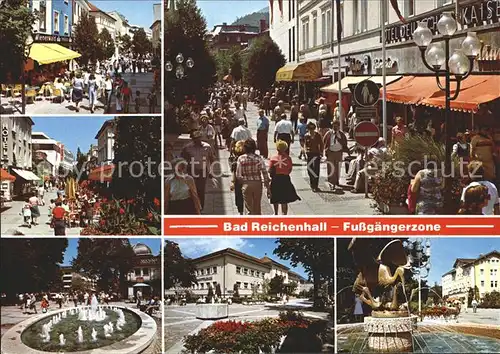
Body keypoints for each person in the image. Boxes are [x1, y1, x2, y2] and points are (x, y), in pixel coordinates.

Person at [181, 131, 215, 211]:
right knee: (191, 189)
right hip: (191, 170)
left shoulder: (207, 147)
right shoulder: (187, 147)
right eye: (195, 139)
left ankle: (200, 208)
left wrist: (210, 170)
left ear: (201, 137)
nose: (197, 140)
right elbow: (182, 158)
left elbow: (212, 159)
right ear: (192, 139)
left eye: (198, 138)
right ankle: (192, 206)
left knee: (201, 189)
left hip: (202, 170)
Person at [236, 139, 270, 215]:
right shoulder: (258, 158)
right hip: (257, 184)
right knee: (257, 206)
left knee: (249, 208)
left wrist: (243, 183)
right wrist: (267, 187)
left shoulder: (241, 158)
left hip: (246, 184)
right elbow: (264, 172)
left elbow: (238, 175)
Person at [268, 141, 301, 215]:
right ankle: (284, 214)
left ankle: (276, 213)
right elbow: (290, 169)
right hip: (285, 179)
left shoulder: (273, 158)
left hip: (276, 179)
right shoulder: (288, 158)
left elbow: (270, 169)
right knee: (284, 198)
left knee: (275, 196)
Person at [323, 120, 348, 191]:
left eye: (336, 125)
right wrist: (325, 150)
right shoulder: (328, 133)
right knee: (331, 168)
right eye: (334, 125)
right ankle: (331, 182)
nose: (335, 127)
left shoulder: (341, 134)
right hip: (330, 152)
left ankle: (336, 181)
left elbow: (344, 142)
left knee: (337, 168)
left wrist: (345, 149)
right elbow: (324, 141)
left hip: (339, 153)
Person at [304, 122, 324, 192]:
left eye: (312, 128)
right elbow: (305, 145)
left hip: (316, 154)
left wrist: (321, 152)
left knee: (316, 169)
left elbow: (321, 144)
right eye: (310, 128)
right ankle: (312, 182)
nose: (311, 130)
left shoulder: (317, 135)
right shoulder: (306, 135)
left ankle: (315, 185)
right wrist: (305, 151)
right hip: (309, 154)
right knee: (309, 169)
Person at [230, 140, 246, 215]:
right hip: (247, 181)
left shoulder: (235, 161)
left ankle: (241, 213)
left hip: (238, 182)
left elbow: (233, 173)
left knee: (239, 197)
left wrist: (232, 182)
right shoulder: (247, 158)